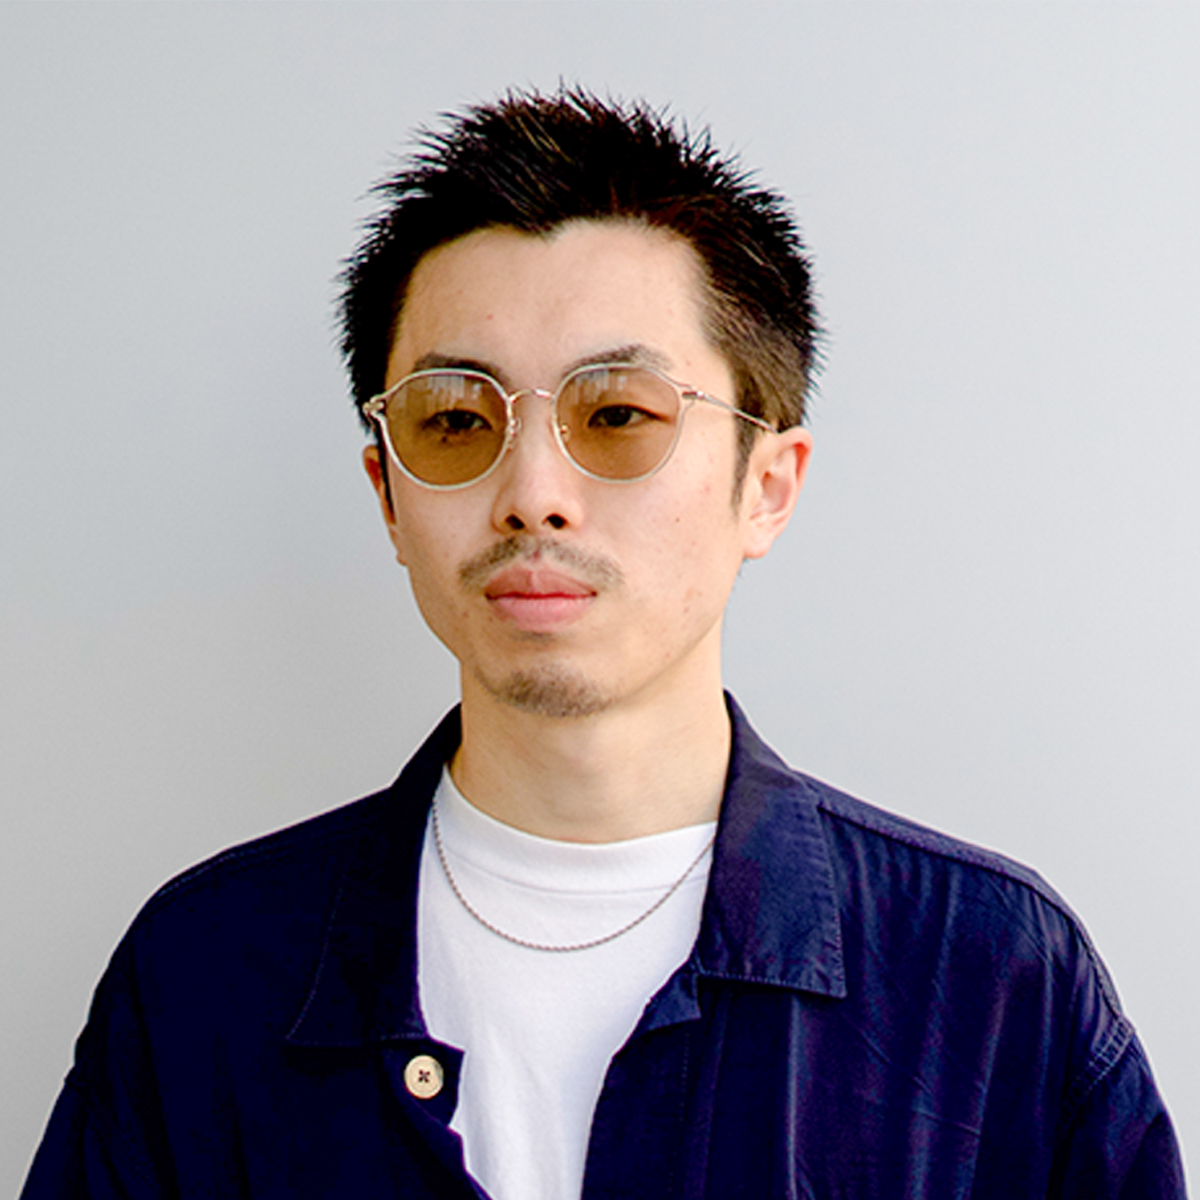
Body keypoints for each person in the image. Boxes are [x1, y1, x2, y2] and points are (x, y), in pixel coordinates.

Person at [23, 88, 1185, 1200]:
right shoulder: (206, 977)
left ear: (767, 486)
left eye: (619, 414)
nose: (533, 493)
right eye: (456, 420)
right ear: (387, 493)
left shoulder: (989, 983)